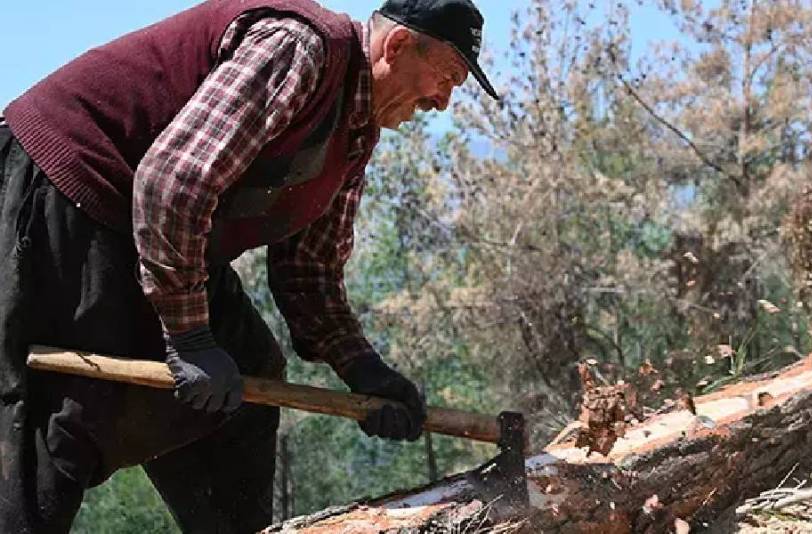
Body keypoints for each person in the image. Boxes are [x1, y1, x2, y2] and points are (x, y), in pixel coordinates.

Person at [0, 0, 498, 531]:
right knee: (57, 426)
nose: (444, 102)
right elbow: (175, 183)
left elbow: (309, 269)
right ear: (396, 46)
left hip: (146, 233)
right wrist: (189, 337)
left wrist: (361, 367)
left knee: (246, 375)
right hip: (59, 193)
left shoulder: (356, 131)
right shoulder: (299, 48)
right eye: (447, 76)